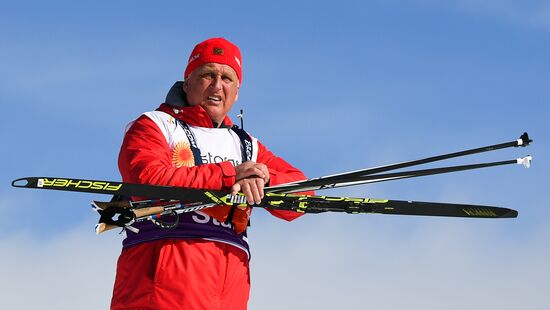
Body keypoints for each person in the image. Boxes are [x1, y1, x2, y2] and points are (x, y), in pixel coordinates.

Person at [110, 37, 310, 310]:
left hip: (229, 293)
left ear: (237, 91)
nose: (217, 86)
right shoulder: (155, 125)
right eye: (207, 75)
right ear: (188, 80)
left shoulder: (245, 145)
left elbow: (302, 195)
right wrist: (230, 177)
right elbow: (147, 179)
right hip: (160, 292)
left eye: (227, 78)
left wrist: (264, 178)